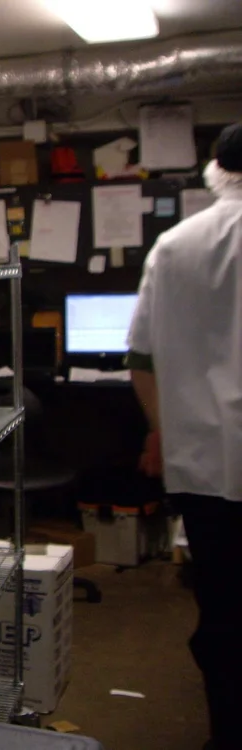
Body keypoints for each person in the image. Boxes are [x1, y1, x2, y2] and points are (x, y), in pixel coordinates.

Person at [127, 122, 242, 750]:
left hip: (205, 466)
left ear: (216, 169)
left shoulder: (174, 246)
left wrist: (160, 431)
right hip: (204, 460)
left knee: (223, 612)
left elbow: (141, 358)